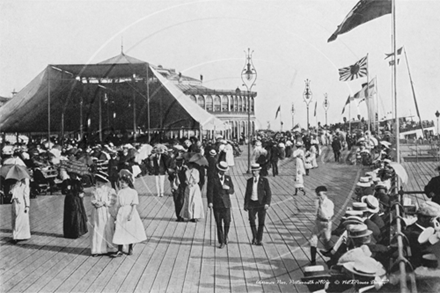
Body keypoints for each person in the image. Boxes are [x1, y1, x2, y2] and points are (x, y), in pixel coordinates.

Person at [112, 169, 147, 257]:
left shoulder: (133, 192)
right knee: (120, 229)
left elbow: (134, 204)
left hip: (129, 210)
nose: (122, 184)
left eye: (123, 182)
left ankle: (130, 247)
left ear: (128, 183)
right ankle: (120, 249)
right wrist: (116, 214)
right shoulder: (120, 192)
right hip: (121, 211)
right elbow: (118, 204)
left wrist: (131, 214)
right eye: (121, 182)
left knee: (130, 229)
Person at [207, 161, 235, 249]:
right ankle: (221, 241)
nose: (223, 172)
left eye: (224, 170)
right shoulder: (213, 178)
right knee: (219, 223)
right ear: (219, 170)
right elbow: (210, 191)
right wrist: (210, 202)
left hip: (226, 204)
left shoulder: (228, 178)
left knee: (227, 222)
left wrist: (228, 189)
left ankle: (225, 235)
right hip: (217, 204)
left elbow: (232, 191)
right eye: (221, 170)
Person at [244, 163, 272, 246]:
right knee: (251, 220)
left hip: (261, 203)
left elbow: (268, 193)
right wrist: (246, 204)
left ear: (259, 171)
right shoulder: (249, 181)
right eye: (253, 171)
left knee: (261, 222)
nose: (254, 172)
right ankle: (254, 237)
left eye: (255, 171)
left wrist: (267, 203)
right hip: (252, 203)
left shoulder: (264, 180)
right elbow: (247, 193)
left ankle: (259, 239)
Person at [90, 171, 117, 256]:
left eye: (100, 181)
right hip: (98, 212)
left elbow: (113, 201)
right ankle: (98, 249)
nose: (98, 183)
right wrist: (95, 203)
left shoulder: (110, 190)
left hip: (106, 211)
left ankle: (111, 248)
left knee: (108, 228)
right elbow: (92, 199)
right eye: (97, 181)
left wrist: (104, 203)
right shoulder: (94, 190)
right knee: (98, 228)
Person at [310, 186, 334, 265]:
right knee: (313, 240)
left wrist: (321, 206)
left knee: (326, 241)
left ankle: (333, 259)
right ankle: (313, 261)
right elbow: (316, 212)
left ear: (324, 193)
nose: (318, 197)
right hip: (318, 223)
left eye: (319, 195)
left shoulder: (329, 203)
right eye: (317, 195)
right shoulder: (317, 201)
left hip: (326, 224)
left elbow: (327, 216)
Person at [62, 172, 88, 239]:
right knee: (69, 216)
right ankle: (68, 233)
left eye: (74, 175)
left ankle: (77, 232)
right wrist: (67, 189)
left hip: (76, 200)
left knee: (76, 215)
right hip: (69, 200)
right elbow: (63, 191)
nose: (72, 176)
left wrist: (80, 192)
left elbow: (81, 190)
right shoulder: (66, 182)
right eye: (71, 175)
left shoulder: (78, 182)